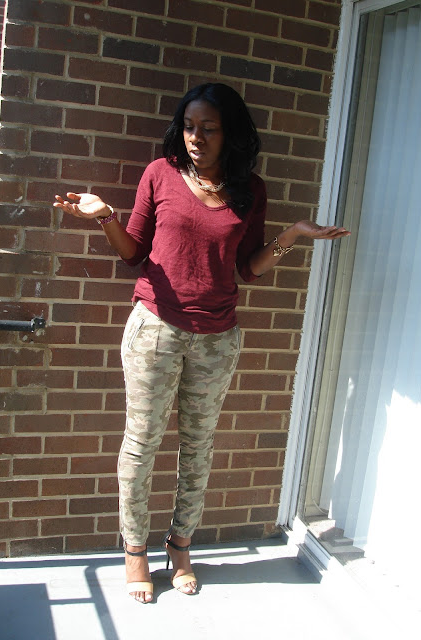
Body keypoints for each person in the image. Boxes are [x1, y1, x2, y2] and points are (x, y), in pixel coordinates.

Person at [54, 82, 349, 604]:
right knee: (142, 444)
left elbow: (247, 268)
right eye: (189, 126)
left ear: (230, 133)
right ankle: (135, 551)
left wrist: (292, 237)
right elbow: (133, 253)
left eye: (208, 128)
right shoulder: (160, 173)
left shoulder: (249, 189)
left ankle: (181, 545)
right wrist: (105, 217)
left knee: (198, 447)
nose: (195, 137)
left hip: (217, 338)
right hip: (155, 329)